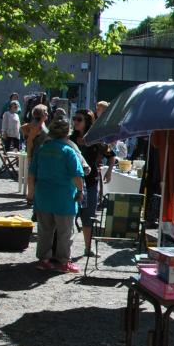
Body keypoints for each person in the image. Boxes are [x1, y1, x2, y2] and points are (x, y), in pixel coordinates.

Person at [30, 116, 84, 273]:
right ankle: (63, 261)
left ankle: (44, 260)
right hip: (64, 198)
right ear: (67, 133)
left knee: (45, 230)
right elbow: (76, 175)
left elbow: (32, 173)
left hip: (43, 197)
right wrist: (80, 191)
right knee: (65, 232)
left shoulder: (42, 149)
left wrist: (31, 194)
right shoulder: (68, 151)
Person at [71, 110, 107, 257]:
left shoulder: (95, 140)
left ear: (87, 122)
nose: (75, 122)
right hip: (72, 184)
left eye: (79, 119)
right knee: (69, 216)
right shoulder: (70, 139)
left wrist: (108, 169)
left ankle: (88, 248)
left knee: (88, 216)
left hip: (90, 183)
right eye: (74, 119)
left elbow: (109, 154)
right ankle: (66, 251)